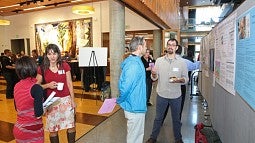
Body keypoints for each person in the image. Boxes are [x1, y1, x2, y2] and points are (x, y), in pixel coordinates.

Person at [146, 38, 188, 143]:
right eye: (169, 44)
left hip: (176, 96)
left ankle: (178, 139)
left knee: (176, 119)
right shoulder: (159, 61)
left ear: (176, 48)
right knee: (158, 118)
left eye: (173, 45)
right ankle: (153, 138)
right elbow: (154, 78)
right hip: (162, 94)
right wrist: (154, 74)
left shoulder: (182, 62)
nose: (170, 46)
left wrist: (179, 80)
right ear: (166, 46)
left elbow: (186, 79)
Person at [36, 44, 76, 143]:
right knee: (53, 129)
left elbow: (69, 83)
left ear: (58, 54)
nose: (52, 56)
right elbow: (36, 86)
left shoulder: (65, 65)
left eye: (54, 53)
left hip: (66, 100)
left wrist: (73, 100)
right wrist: (47, 85)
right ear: (46, 55)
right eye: (49, 54)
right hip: (51, 102)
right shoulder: (42, 68)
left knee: (71, 125)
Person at [117, 36, 147, 143]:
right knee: (134, 138)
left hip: (136, 105)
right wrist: (120, 99)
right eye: (145, 45)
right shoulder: (133, 64)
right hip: (134, 107)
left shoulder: (136, 61)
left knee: (137, 136)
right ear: (139, 47)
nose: (146, 48)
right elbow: (125, 87)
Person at [13, 56, 45, 143]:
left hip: (19, 129)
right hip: (33, 130)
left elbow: (17, 108)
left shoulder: (16, 86)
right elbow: (38, 113)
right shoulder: (36, 88)